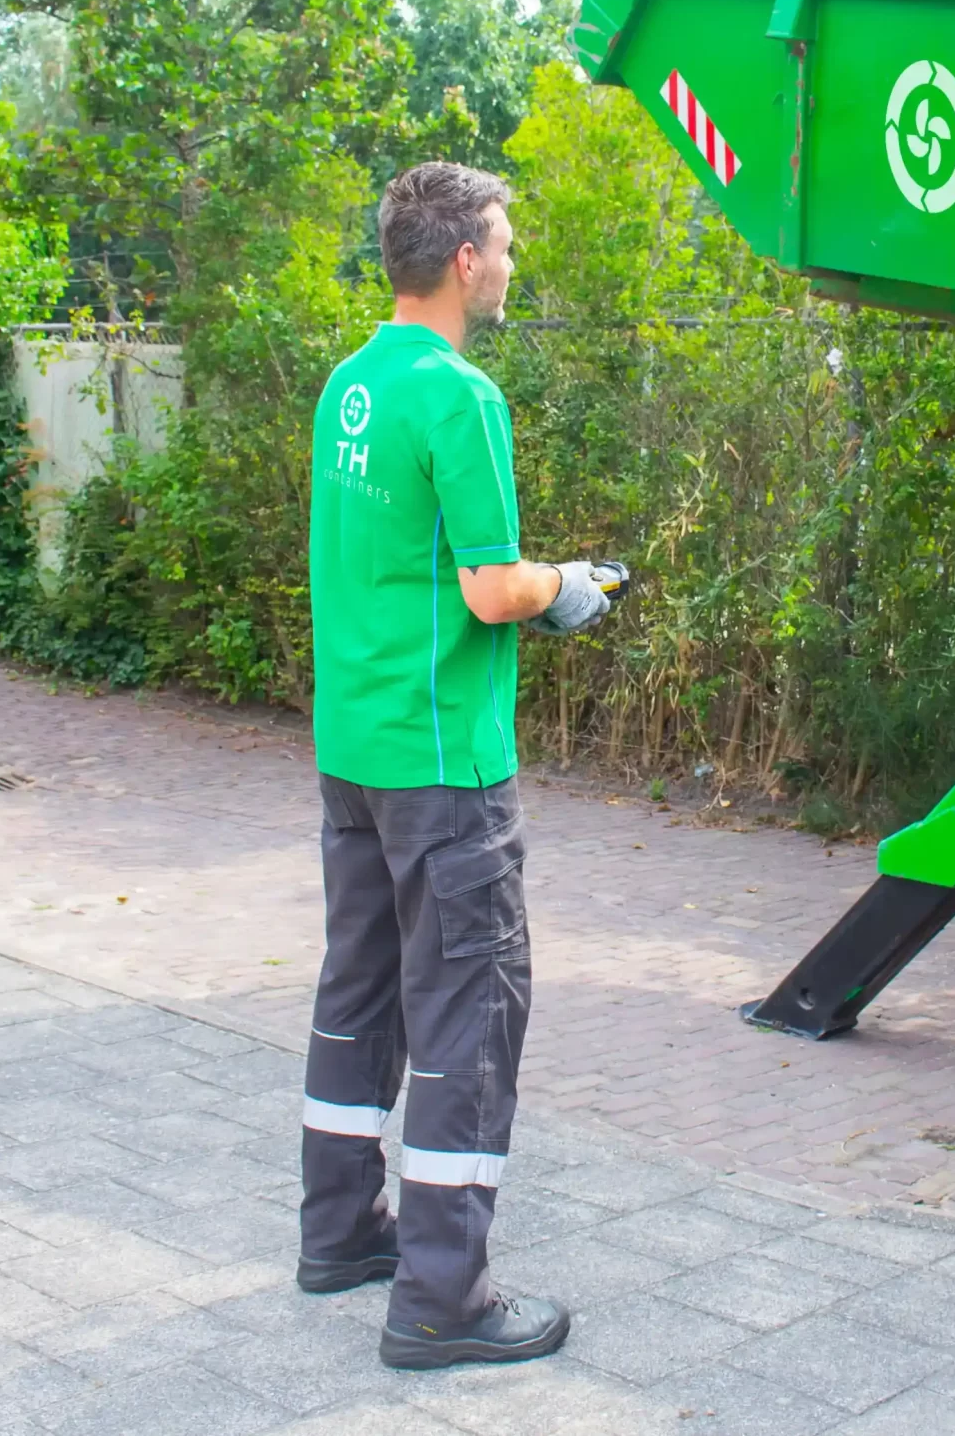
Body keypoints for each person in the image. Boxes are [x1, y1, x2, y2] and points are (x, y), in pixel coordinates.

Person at [298, 160, 623, 1370]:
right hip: (444, 767)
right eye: (505, 242)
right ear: (463, 262)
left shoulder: (349, 387)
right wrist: (568, 590)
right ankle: (441, 1299)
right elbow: (492, 590)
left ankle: (338, 1233)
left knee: (360, 994)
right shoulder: (461, 397)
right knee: (469, 1018)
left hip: (356, 753)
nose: (511, 260)